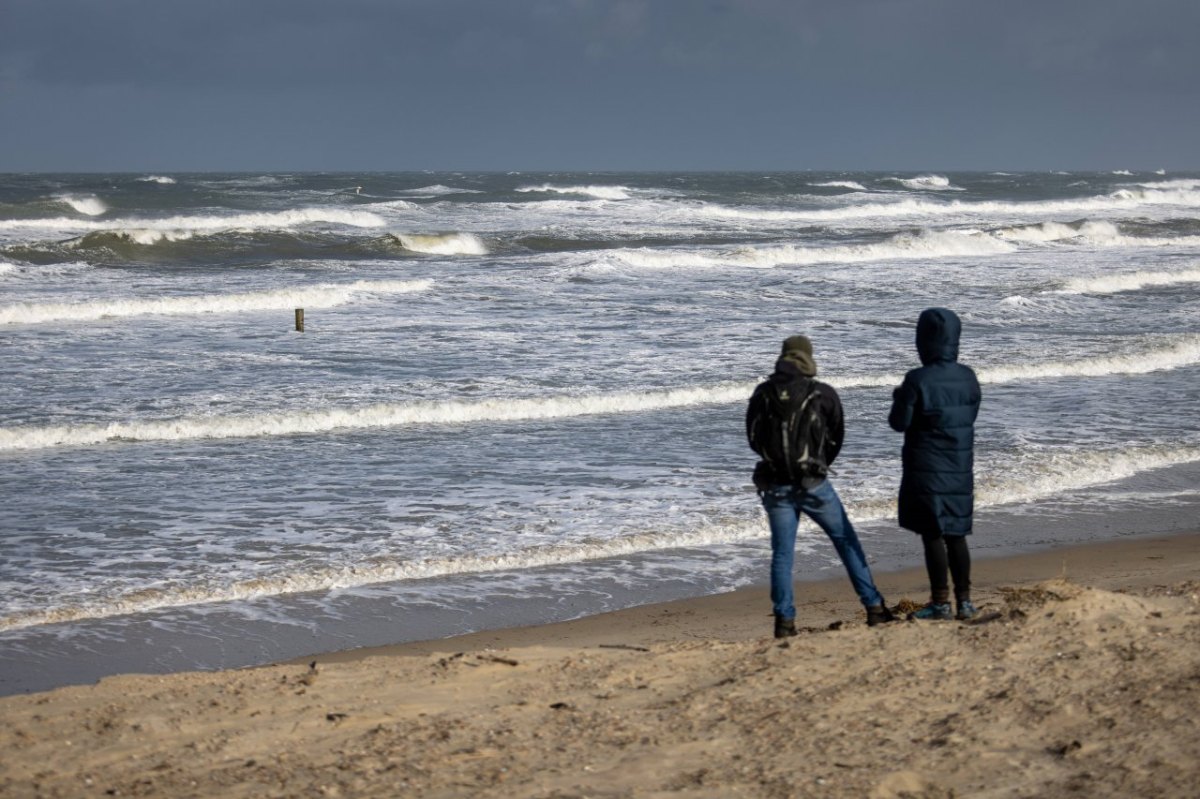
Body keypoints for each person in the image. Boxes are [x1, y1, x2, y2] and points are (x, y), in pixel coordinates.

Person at [747, 335, 895, 637]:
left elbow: (753, 438)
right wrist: (819, 462)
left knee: (782, 554)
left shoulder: (762, 393)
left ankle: (784, 623)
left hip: (775, 484)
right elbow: (837, 436)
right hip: (815, 484)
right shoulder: (822, 393)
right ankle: (875, 609)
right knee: (845, 542)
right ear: (807, 357)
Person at [888, 307, 982, 621]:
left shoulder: (917, 380)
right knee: (956, 534)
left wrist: (900, 397)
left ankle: (941, 603)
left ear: (923, 341)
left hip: (926, 468)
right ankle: (965, 602)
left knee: (932, 534)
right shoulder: (968, 377)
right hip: (959, 466)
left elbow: (899, 423)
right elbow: (967, 416)